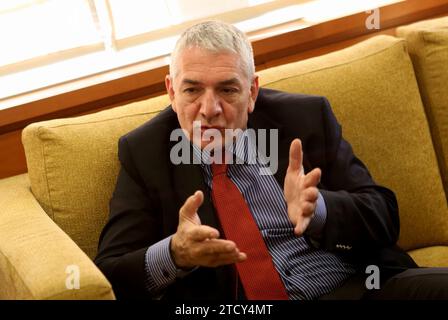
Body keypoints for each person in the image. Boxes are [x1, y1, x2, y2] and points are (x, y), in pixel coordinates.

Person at [94, 20, 448, 300]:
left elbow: (384, 216)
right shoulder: (144, 152)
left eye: (228, 89)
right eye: (192, 90)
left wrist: (320, 210)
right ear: (171, 92)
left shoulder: (306, 117)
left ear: (252, 92)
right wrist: (175, 253)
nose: (209, 109)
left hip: (361, 288)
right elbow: (109, 275)